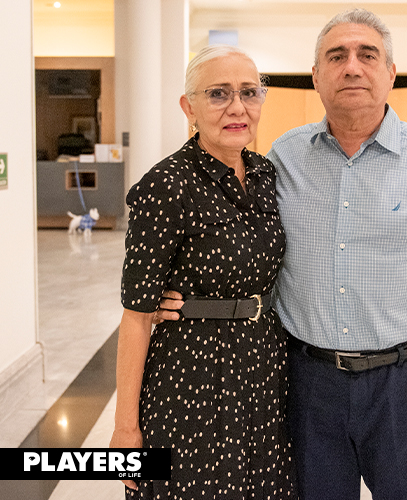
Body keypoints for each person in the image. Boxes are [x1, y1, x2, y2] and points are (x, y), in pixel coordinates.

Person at [158, 8, 407, 500]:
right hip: (306, 385)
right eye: (336, 56)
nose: (351, 67)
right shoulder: (283, 157)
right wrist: (193, 298)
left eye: (367, 55)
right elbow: (249, 245)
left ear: (391, 73)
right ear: (316, 76)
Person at [110, 44, 296, 499]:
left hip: (264, 367)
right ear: (188, 107)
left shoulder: (265, 175)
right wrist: (125, 428)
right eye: (218, 93)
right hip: (191, 375)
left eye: (249, 92)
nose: (237, 107)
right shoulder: (165, 186)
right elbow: (136, 316)